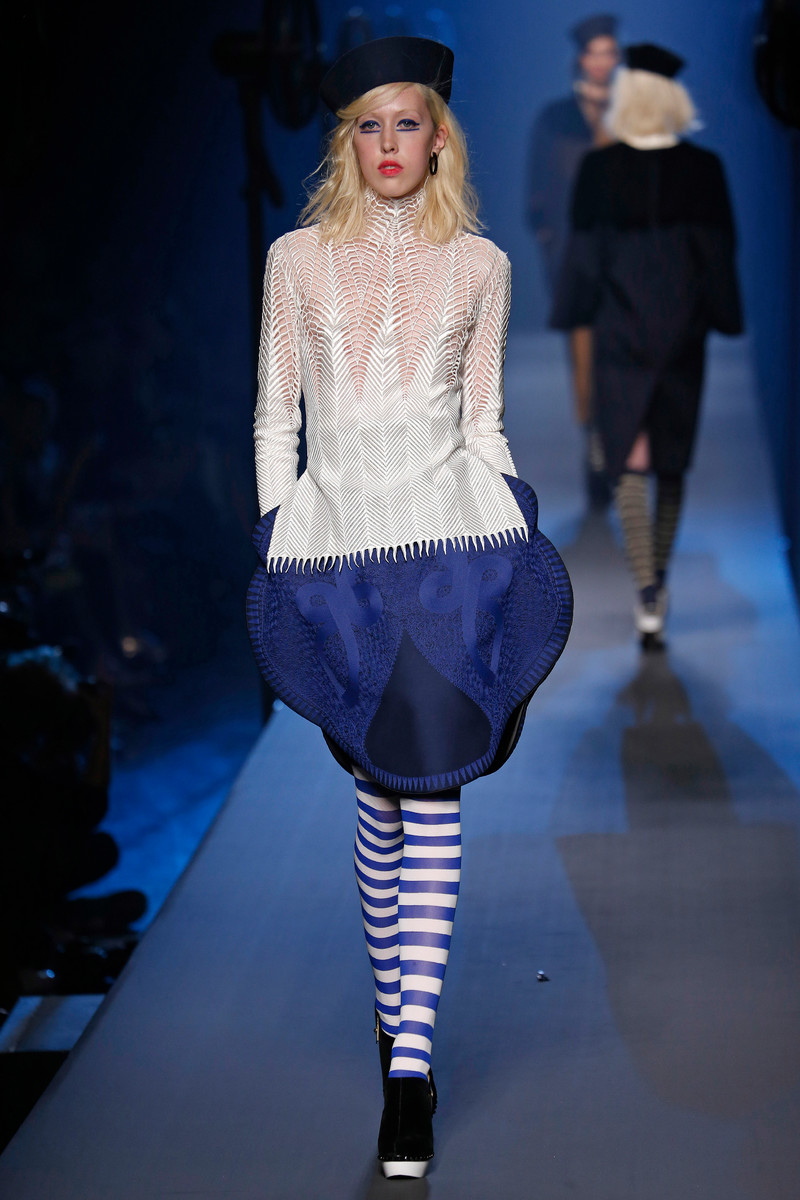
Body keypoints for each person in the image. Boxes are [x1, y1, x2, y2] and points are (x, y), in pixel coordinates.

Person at [246, 36, 572, 1177]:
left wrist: (513, 523)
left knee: (430, 793)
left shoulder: (481, 266)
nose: (389, 144)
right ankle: (396, 1016)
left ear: (440, 137)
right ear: (347, 139)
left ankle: (408, 1071)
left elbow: (482, 420)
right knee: (375, 798)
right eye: (368, 125)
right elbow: (273, 417)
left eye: (408, 122)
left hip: (449, 553)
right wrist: (275, 536)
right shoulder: (294, 261)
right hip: (334, 560)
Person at [551, 43, 743, 647]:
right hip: (681, 332)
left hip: (622, 329)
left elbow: (583, 257)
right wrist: (720, 314)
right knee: (671, 458)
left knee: (628, 456)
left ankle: (646, 588)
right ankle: (656, 578)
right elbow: (719, 256)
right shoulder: (705, 169)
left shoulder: (599, 170)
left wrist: (573, 309)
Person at [527, 14, 620, 508]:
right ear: (581, 59)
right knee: (584, 356)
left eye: (609, 52)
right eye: (594, 52)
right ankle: (595, 444)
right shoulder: (556, 118)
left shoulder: (632, 113)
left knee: (622, 354)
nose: (602, 61)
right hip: (575, 257)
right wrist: (549, 242)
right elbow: (537, 189)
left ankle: (616, 440)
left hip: (627, 258)